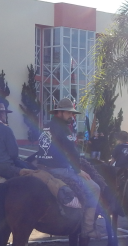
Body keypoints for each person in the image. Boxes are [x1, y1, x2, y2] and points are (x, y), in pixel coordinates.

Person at [36, 98, 101, 238]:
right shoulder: (63, 128)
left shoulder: (47, 126)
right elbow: (72, 152)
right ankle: (88, 229)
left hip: (41, 167)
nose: (72, 116)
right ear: (60, 112)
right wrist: (78, 170)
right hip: (58, 169)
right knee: (95, 188)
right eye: (69, 113)